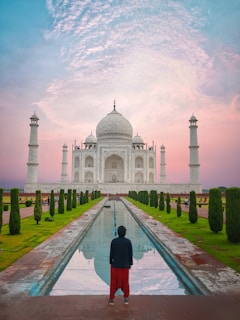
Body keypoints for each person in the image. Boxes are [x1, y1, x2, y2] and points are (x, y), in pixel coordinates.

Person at [109, 225, 133, 305]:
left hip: (115, 265)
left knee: (113, 282)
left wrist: (111, 262)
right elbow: (130, 254)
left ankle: (111, 299)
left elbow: (111, 253)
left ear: (118, 233)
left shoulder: (114, 241)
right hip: (125, 266)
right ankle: (126, 298)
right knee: (125, 282)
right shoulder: (128, 242)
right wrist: (130, 263)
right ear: (125, 233)